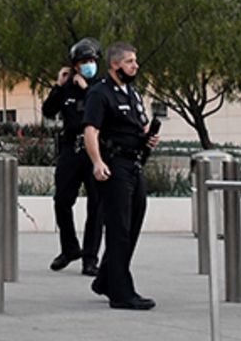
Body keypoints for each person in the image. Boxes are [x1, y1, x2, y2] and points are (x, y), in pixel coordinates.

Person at [83, 42, 160, 310]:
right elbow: (91, 131)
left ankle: (105, 278)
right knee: (119, 230)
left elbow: (140, 124)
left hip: (134, 164)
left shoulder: (133, 94)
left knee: (133, 223)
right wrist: (97, 162)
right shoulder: (99, 93)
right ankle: (121, 292)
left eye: (135, 61)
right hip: (113, 166)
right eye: (129, 62)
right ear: (115, 65)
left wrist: (149, 136)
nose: (135, 66)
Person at [42, 37, 104, 275]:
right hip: (70, 149)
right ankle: (69, 249)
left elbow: (100, 111)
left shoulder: (100, 87)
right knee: (61, 201)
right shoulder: (66, 88)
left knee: (96, 206)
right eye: (84, 61)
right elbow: (48, 111)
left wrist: (87, 89)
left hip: (93, 150)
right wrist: (59, 86)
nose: (89, 65)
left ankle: (91, 258)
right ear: (75, 65)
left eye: (92, 61)